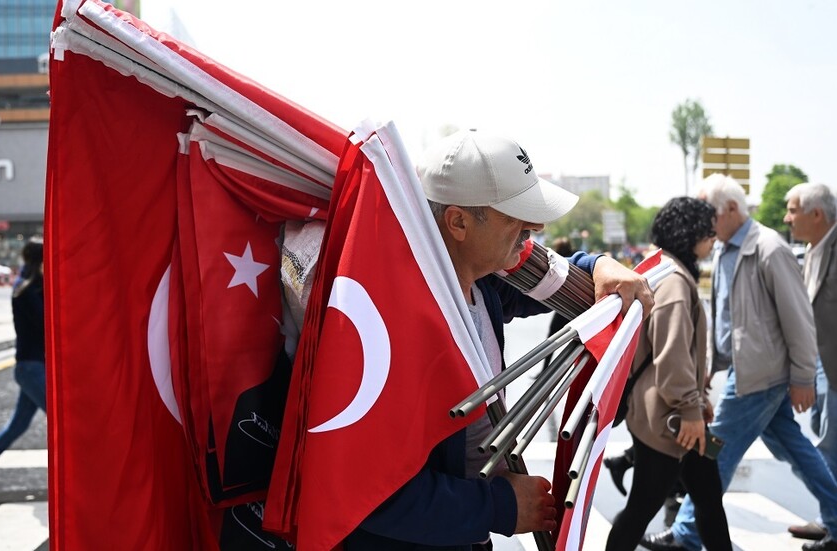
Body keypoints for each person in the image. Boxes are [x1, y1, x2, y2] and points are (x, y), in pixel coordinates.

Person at [345, 129, 654, 550]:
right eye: (517, 215)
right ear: (458, 222)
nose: (537, 226)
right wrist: (497, 507)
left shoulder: (485, 283)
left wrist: (598, 263)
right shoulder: (385, 326)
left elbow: (555, 278)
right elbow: (368, 491)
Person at [641, 174, 837, 551]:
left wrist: (803, 376)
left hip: (759, 375)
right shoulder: (725, 249)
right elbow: (727, 320)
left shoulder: (767, 248)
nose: (703, 222)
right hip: (747, 370)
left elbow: (799, 319)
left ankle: (687, 532)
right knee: (796, 449)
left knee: (715, 449)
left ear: (731, 209)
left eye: (709, 211)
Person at [605, 197, 731, 551]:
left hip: (670, 413)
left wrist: (696, 403)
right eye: (708, 232)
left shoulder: (662, 269)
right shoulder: (675, 281)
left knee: (708, 498)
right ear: (690, 234)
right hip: (669, 417)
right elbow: (672, 356)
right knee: (642, 508)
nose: (713, 239)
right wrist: (690, 407)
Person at [783, 183, 837, 542]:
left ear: (816, 214)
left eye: (793, 210)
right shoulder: (810, 248)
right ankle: (830, 516)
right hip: (818, 363)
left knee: (830, 444)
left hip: (833, 365)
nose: (787, 218)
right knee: (824, 440)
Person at [0, 238, 46, 503]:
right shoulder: (27, 291)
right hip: (31, 368)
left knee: (17, 427)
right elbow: (46, 324)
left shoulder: (31, 288)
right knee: (64, 423)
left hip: (31, 368)